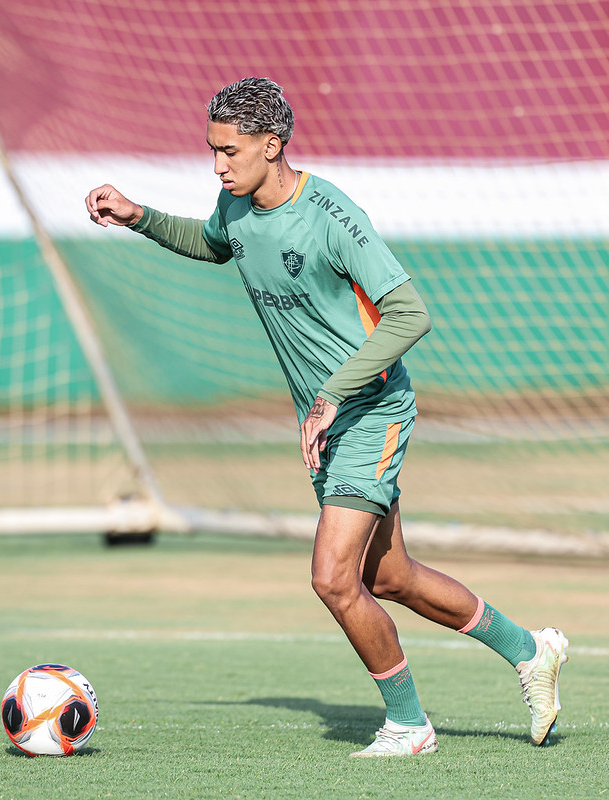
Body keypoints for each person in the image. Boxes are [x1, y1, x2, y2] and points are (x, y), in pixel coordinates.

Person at [85, 77, 568, 757]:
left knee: (332, 578)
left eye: (228, 151)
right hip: (329, 424)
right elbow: (215, 243)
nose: (217, 165)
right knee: (388, 578)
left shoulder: (334, 217)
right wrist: (139, 216)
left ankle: (408, 725)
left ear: (272, 144)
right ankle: (530, 649)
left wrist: (332, 395)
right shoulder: (235, 203)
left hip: (372, 411)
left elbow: (411, 314)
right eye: (212, 150)